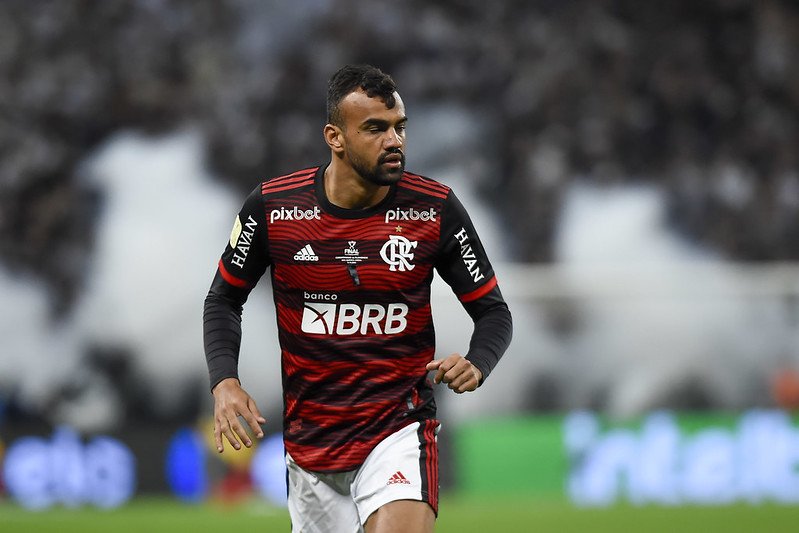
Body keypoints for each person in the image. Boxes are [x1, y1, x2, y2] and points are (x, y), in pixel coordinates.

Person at [203, 64, 512, 533]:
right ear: (335, 137)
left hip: (399, 430)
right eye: (375, 128)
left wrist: (478, 361)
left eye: (399, 127)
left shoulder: (434, 209)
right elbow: (224, 299)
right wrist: (225, 381)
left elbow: (493, 311)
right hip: (311, 446)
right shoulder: (273, 209)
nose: (394, 141)